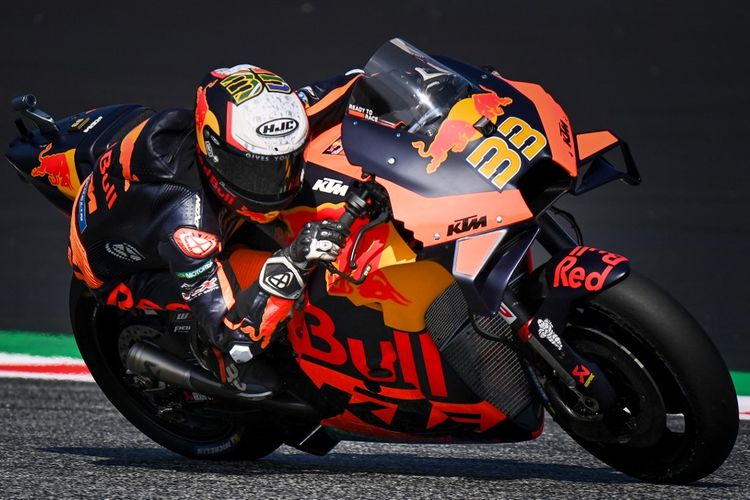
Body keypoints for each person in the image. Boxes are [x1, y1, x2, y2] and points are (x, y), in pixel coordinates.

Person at [67, 64, 362, 396]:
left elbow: (358, 84)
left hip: (183, 203)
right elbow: (231, 330)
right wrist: (294, 261)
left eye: (285, 166)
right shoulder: (187, 223)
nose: (275, 184)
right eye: (254, 173)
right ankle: (214, 360)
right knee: (260, 327)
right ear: (214, 151)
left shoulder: (274, 121)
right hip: (126, 270)